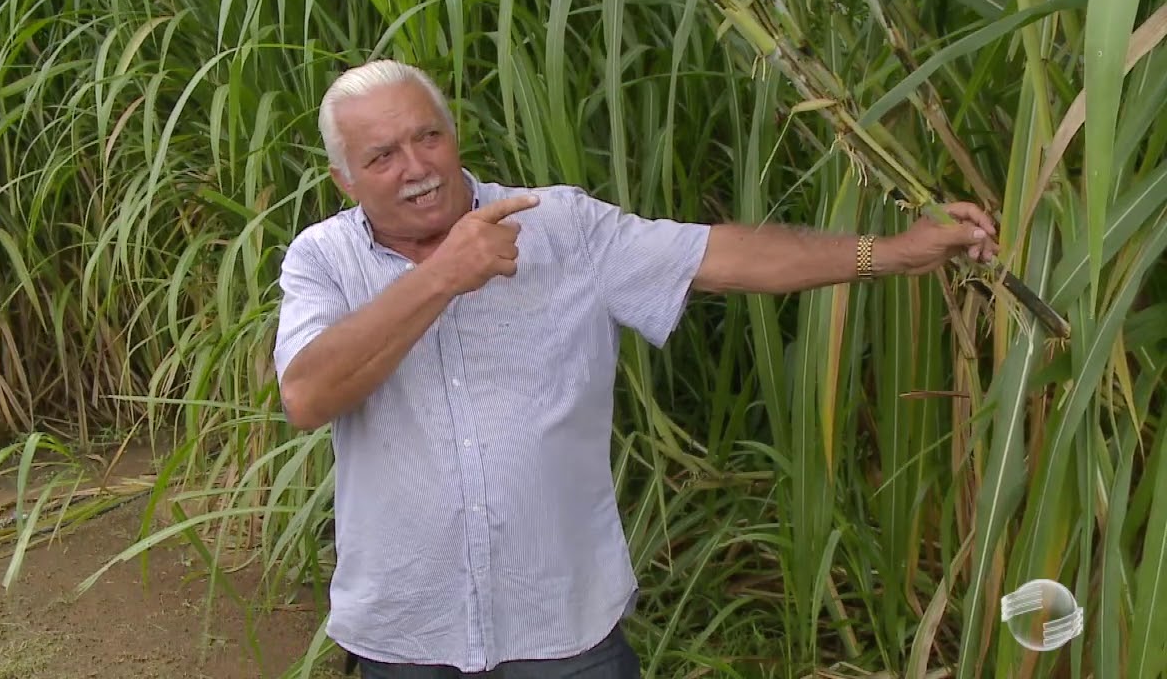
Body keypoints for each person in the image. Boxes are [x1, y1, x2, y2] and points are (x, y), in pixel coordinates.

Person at [272, 59, 998, 678]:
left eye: (427, 136)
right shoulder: (322, 258)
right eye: (383, 156)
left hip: (563, 628)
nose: (417, 167)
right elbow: (308, 395)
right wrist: (441, 278)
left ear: (453, 134)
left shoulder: (563, 226)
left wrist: (895, 251)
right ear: (345, 179)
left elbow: (729, 257)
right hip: (407, 634)